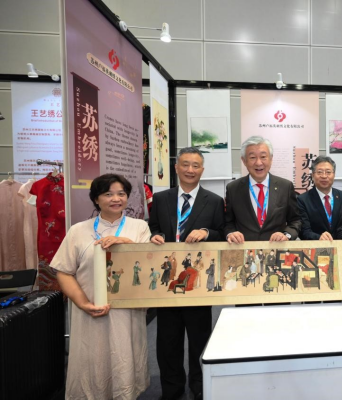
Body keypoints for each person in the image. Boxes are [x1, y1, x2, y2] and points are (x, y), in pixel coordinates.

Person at [51, 173, 151, 399]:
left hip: (127, 312)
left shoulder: (139, 228)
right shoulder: (78, 230)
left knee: (124, 357)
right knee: (91, 360)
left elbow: (147, 266)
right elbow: (64, 271)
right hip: (90, 310)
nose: (116, 199)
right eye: (108, 194)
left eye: (121, 194)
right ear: (96, 199)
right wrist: (83, 303)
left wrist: (126, 243)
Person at [149, 147, 225, 400]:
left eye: (195, 166)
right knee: (167, 340)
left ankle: (199, 385)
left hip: (197, 282)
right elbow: (153, 228)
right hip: (168, 281)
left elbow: (222, 233)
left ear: (202, 170)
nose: (190, 170)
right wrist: (155, 236)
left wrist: (206, 232)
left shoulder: (214, 201)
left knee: (199, 339)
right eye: (185, 164)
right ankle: (172, 388)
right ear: (176, 167)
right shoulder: (161, 199)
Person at [225, 136, 301, 243]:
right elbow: (228, 222)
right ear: (244, 161)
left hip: (276, 248)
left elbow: (295, 220)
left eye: (263, 157)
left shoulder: (285, 187)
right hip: (245, 248)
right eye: (252, 157)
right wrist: (231, 233)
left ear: (271, 159)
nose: (258, 163)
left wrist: (286, 235)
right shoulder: (233, 188)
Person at [297, 156, 342, 240]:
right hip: (315, 245)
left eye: (328, 172)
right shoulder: (302, 200)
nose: (324, 176)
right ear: (313, 175)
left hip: (340, 245)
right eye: (319, 172)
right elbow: (304, 231)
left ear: (334, 175)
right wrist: (319, 237)